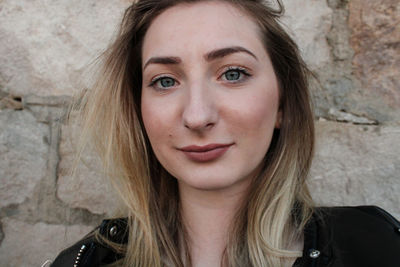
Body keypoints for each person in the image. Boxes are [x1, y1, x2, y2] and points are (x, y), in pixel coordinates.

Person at [50, 0, 400, 266]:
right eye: (165, 81)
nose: (197, 116)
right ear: (137, 109)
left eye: (233, 74)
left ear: (283, 103)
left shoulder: (374, 248)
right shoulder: (83, 262)